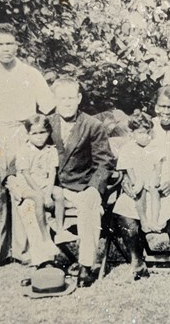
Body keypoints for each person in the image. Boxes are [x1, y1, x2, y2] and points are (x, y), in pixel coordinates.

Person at [0, 23, 55, 267]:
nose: (6, 49)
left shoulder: (30, 74)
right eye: (0, 44)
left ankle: (22, 250)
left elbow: (48, 106)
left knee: (22, 189)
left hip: (21, 134)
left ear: (17, 45)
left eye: (10, 43)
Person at [114, 86, 170, 284]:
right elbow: (128, 152)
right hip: (144, 184)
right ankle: (137, 263)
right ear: (155, 106)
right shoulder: (147, 125)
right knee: (125, 208)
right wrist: (125, 178)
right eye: (161, 106)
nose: (165, 111)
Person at [48, 77, 115, 287]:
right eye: (62, 98)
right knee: (28, 204)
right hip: (54, 188)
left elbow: (104, 163)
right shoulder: (47, 123)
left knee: (89, 205)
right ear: (54, 99)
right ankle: (43, 261)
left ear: (78, 98)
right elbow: (26, 150)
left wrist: (94, 189)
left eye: (71, 98)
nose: (66, 102)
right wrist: (13, 176)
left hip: (82, 187)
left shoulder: (92, 125)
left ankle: (86, 266)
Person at [5, 114, 63, 266]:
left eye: (42, 132)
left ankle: (60, 230)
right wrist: (43, 195)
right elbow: (25, 175)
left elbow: (52, 174)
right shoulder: (24, 150)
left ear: (49, 132)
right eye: (34, 133)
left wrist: (49, 194)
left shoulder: (51, 150)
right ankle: (45, 238)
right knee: (36, 199)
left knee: (59, 193)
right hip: (25, 186)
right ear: (28, 134)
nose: (39, 137)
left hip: (43, 185)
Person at [116, 110, 163, 233]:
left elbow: (158, 163)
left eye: (148, 133)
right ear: (132, 133)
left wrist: (158, 177)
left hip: (151, 175)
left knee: (154, 192)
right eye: (141, 133)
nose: (145, 136)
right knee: (139, 193)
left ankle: (154, 221)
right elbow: (128, 167)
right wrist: (134, 181)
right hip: (137, 176)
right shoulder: (128, 148)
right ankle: (143, 221)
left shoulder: (154, 146)